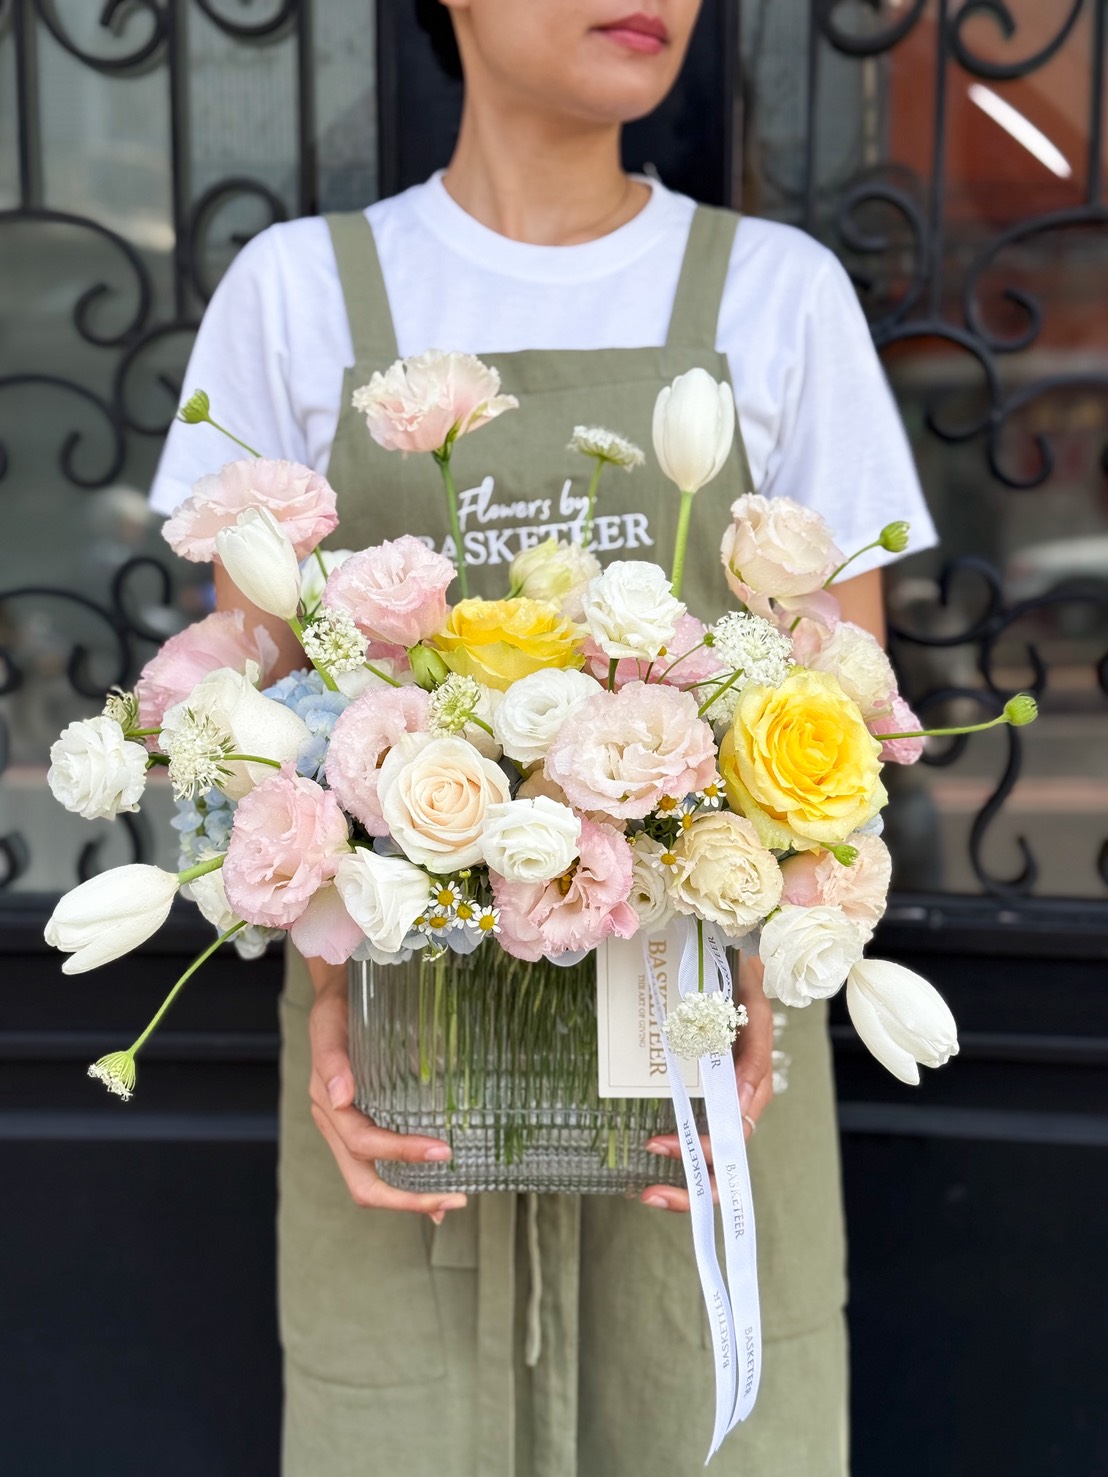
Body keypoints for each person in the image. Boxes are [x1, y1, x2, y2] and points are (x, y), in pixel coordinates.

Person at [149, 2, 937, 1472]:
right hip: (400, 1083)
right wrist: (329, 1007)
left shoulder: (781, 295)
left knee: (707, 1419)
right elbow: (237, 728)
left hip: (705, 1070)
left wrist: (776, 957)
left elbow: (850, 715)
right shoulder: (297, 296)